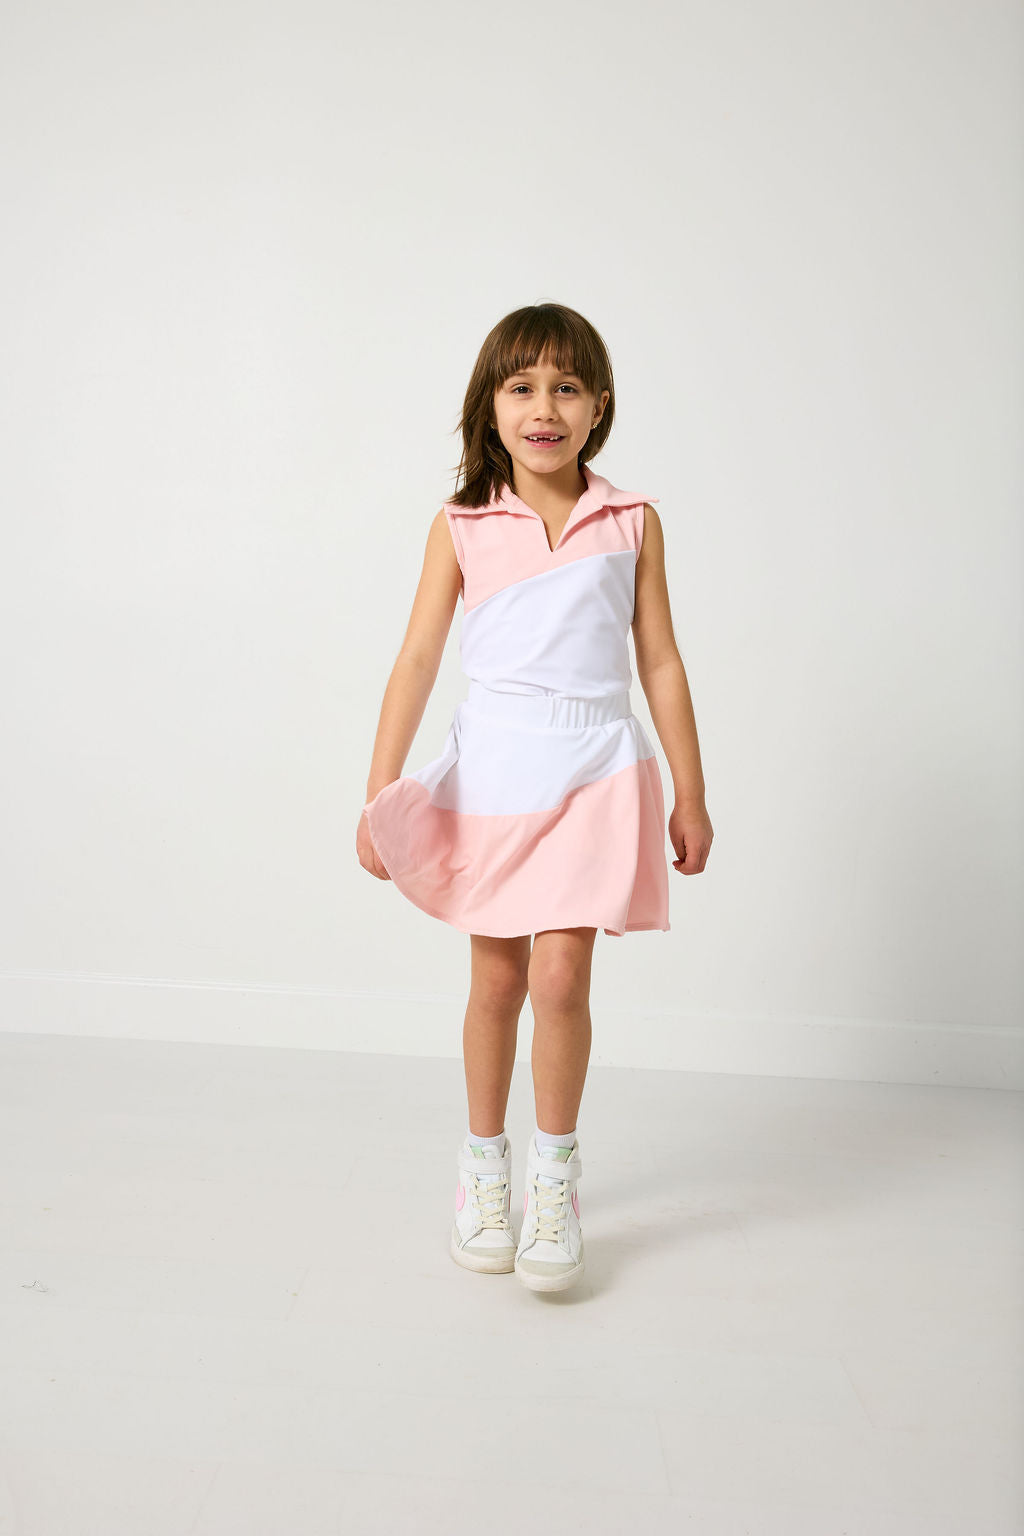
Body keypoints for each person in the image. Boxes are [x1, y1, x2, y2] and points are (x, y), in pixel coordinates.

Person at [356, 301, 713, 1293]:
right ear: (491, 405)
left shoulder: (631, 521)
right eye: (522, 387)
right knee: (497, 982)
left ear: (599, 406)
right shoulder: (463, 525)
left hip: (595, 769)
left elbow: (661, 662)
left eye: (566, 387)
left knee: (561, 979)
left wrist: (689, 793)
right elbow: (417, 656)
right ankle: (484, 1171)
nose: (543, 407)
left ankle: (556, 1180)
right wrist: (379, 790)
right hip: (499, 772)